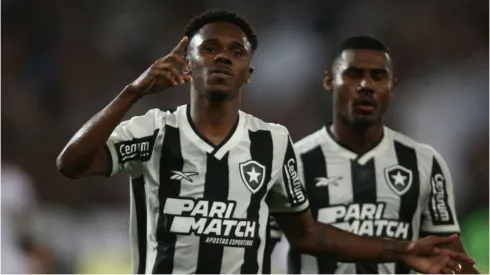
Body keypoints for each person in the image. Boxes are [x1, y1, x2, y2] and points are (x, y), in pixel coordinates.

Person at [56, 10, 475, 274]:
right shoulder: (154, 131)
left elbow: (308, 235)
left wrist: (402, 250)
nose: (222, 57)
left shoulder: (272, 143)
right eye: (210, 49)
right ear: (187, 63)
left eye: (236, 52)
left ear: (249, 72)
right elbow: (71, 164)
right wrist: (132, 91)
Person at [269, 36, 480, 274]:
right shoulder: (294, 163)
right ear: (329, 81)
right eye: (353, 74)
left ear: (392, 86)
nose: (365, 86)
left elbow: (452, 258)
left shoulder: (423, 164)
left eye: (378, 77)